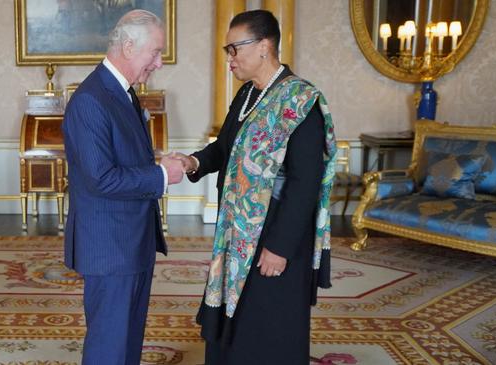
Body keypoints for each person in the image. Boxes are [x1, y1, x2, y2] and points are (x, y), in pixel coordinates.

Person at [175, 10, 337, 365]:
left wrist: (279, 247)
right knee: (238, 320)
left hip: (277, 235)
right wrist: (194, 162)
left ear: (264, 46)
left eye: (235, 49)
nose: (230, 59)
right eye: (227, 50)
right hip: (238, 232)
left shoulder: (300, 100)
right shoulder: (248, 94)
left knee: (269, 324)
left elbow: (304, 181)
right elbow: (224, 148)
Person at [61, 10, 183, 365]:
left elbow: (120, 158)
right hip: (110, 247)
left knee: (127, 342)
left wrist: (155, 159)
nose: (159, 63)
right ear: (129, 47)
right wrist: (161, 175)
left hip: (131, 241)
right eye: (156, 52)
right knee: (108, 348)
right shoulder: (90, 100)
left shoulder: (123, 93)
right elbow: (101, 178)